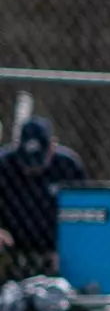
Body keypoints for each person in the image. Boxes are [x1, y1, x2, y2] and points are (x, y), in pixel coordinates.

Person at [0, 117, 87, 283]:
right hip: (12, 247)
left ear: (52, 147)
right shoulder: (4, 165)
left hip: (55, 248)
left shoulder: (69, 167)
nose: (32, 168)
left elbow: (83, 214)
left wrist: (68, 247)